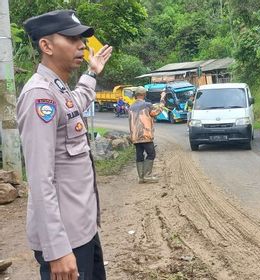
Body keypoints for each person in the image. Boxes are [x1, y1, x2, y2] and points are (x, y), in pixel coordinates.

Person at [16, 10, 113, 280]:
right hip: (65, 240)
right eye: (72, 39)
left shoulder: (59, 89)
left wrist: (93, 73)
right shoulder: (40, 96)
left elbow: (76, 103)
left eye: (81, 39)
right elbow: (40, 179)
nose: (81, 45)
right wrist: (57, 250)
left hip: (83, 229)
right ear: (46, 46)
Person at [128, 86, 166, 184]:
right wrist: (162, 98)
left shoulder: (131, 107)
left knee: (139, 155)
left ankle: (141, 177)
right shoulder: (147, 105)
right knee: (151, 154)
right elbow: (157, 111)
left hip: (135, 136)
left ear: (136, 95)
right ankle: (146, 176)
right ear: (144, 95)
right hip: (145, 135)